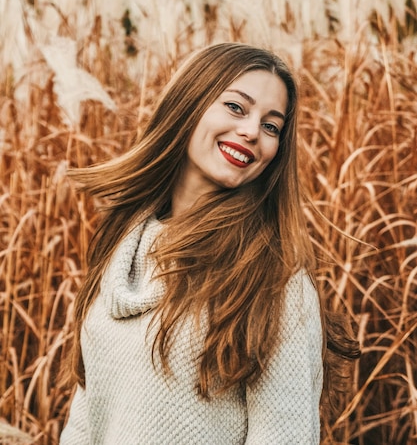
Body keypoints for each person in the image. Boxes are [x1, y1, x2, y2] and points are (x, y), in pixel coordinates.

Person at [60, 42, 359, 444]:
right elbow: (87, 415)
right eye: (236, 107)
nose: (252, 131)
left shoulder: (273, 280)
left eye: (271, 126)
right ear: (188, 104)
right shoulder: (123, 249)